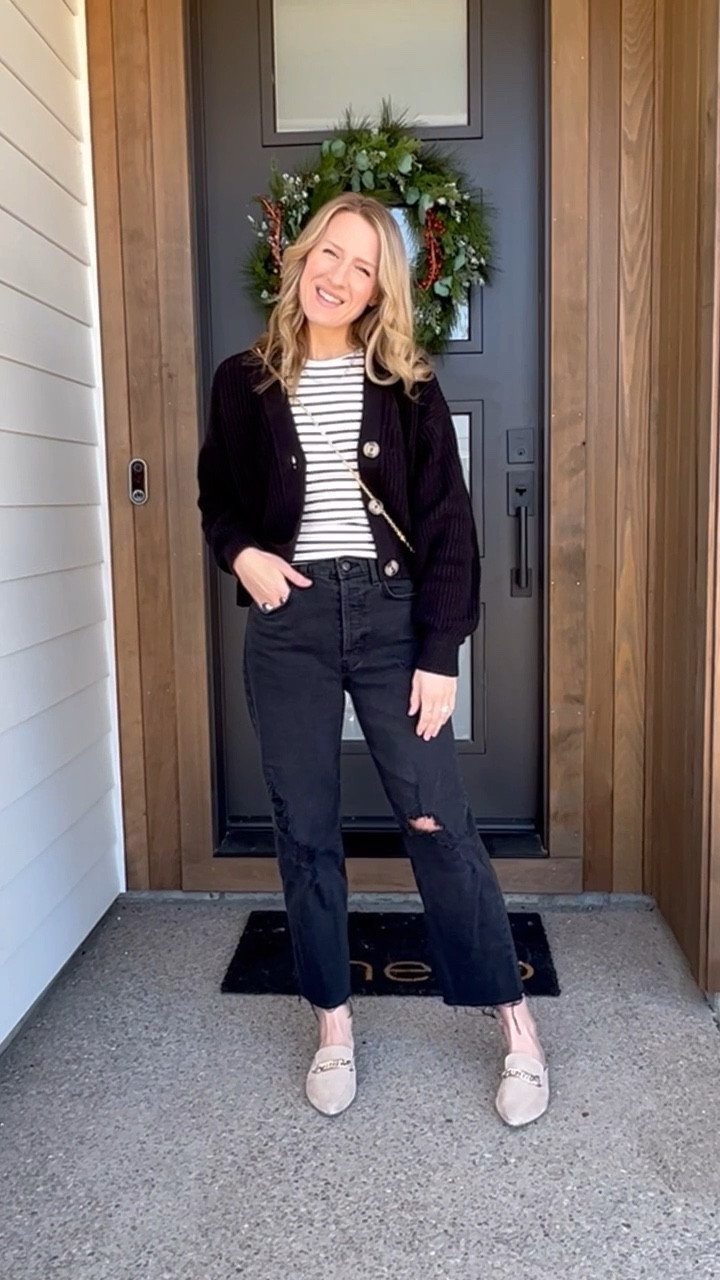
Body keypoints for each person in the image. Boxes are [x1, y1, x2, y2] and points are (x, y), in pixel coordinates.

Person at [197, 192, 549, 1126]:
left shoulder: (407, 387)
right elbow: (216, 497)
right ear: (302, 257)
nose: (339, 276)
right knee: (304, 826)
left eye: (362, 266)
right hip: (290, 620)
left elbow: (449, 528)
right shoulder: (243, 381)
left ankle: (516, 1024)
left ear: (378, 290)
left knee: (436, 817)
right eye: (330, 253)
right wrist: (242, 554)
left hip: (393, 619)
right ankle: (334, 1023)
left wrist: (441, 652)